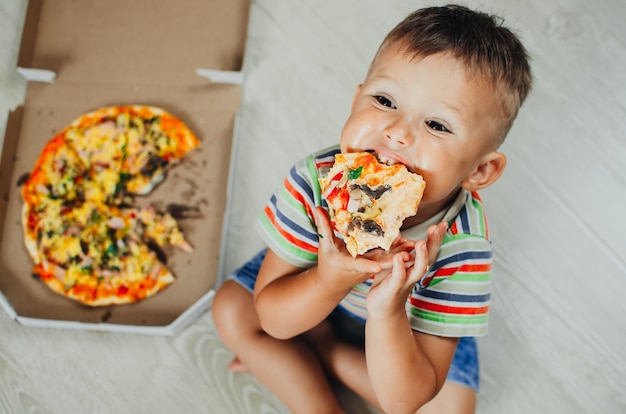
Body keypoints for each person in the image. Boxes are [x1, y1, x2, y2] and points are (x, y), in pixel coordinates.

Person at [212, 5, 532, 414]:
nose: (396, 132)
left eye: (436, 125)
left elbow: (404, 400)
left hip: (408, 328)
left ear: (480, 170)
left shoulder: (461, 246)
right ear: (355, 100)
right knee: (232, 311)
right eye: (384, 100)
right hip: (307, 280)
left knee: (449, 409)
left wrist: (387, 310)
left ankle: (324, 353)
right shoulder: (317, 183)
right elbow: (274, 320)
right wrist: (327, 280)